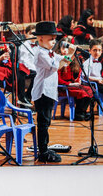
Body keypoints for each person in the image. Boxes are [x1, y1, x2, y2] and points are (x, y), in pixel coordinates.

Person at [31, 21, 73, 163]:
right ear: (40, 38)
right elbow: (55, 66)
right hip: (42, 92)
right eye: (51, 39)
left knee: (46, 121)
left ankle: (45, 147)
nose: (54, 41)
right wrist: (66, 59)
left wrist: (68, 56)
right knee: (43, 122)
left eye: (54, 39)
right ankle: (43, 151)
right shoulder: (40, 54)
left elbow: (60, 59)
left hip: (49, 92)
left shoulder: (48, 52)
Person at [54, 37, 93, 121]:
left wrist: (77, 80)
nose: (65, 50)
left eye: (68, 48)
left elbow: (78, 72)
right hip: (63, 87)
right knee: (82, 92)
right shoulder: (58, 59)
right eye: (63, 47)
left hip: (72, 85)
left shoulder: (74, 59)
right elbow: (57, 78)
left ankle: (82, 111)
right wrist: (70, 84)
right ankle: (78, 113)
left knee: (90, 90)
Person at [17, 24, 37, 107]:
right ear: (26, 35)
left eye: (35, 34)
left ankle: (28, 97)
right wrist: (36, 69)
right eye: (31, 33)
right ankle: (25, 97)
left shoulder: (38, 46)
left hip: (34, 68)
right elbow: (24, 61)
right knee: (37, 75)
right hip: (25, 69)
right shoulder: (23, 46)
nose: (33, 36)